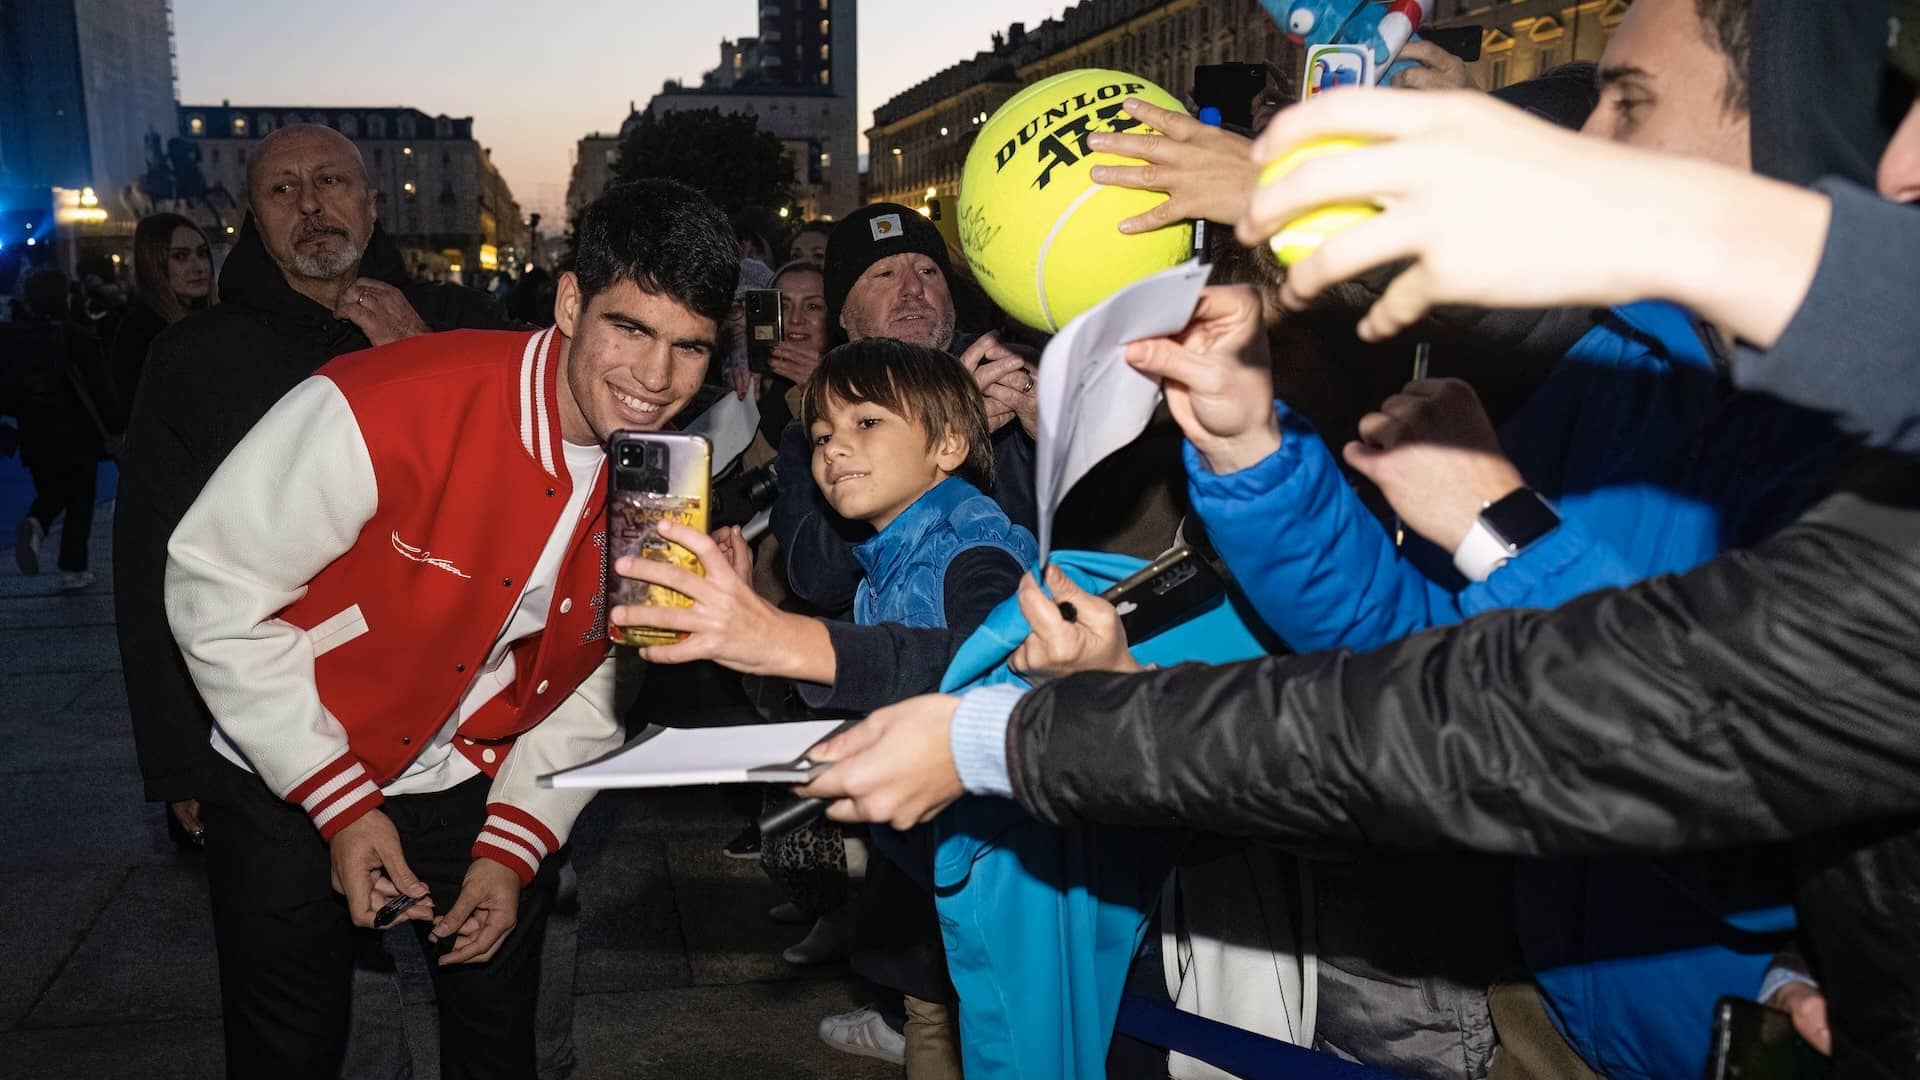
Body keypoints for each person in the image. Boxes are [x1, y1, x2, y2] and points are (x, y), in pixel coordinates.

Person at [796, 7, 1920, 1075]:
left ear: (1778, 122)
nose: (1589, 140)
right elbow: (1401, 646)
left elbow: (1610, 741)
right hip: (1558, 1004)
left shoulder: (1843, 443)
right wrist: (1257, 462)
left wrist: (1009, 739)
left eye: (1626, 102)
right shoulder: (1613, 364)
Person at [159, 178, 737, 1080]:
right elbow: (212, 587)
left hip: (477, 775)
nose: (656, 380)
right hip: (289, 764)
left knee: (498, 1040)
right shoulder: (388, 397)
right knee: (290, 1049)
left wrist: (515, 844)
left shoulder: (663, 478)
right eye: (630, 328)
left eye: (690, 347)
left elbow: (589, 676)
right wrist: (341, 803)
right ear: (573, 301)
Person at [620, 337, 1034, 1077]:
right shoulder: (886, 550)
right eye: (821, 435)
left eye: (866, 423)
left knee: (996, 1037)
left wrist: (791, 642)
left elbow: (983, 665)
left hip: (1002, 874)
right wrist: (750, 614)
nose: (835, 448)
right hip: (932, 852)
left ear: (947, 444)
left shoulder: (977, 546)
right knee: (928, 1011)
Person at [118, 121, 509, 902]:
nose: (310, 205)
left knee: (487, 986)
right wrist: (180, 760)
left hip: (452, 729)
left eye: (329, 182)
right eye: (282, 189)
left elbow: (522, 488)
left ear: (370, 203)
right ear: (255, 221)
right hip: (269, 733)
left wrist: (423, 354)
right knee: (287, 1006)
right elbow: (148, 557)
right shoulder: (198, 356)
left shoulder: (457, 323)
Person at [8, 269, 115, 591]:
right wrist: (115, 426)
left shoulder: (18, 340)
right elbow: (101, 388)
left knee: (53, 490)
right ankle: (73, 567)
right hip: (76, 432)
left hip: (33, 432)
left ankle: (37, 520)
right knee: (80, 499)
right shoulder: (77, 336)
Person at [110, 213, 215, 421]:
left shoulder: (208, 322)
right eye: (180, 256)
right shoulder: (141, 333)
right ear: (153, 265)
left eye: (202, 253)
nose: (198, 267)